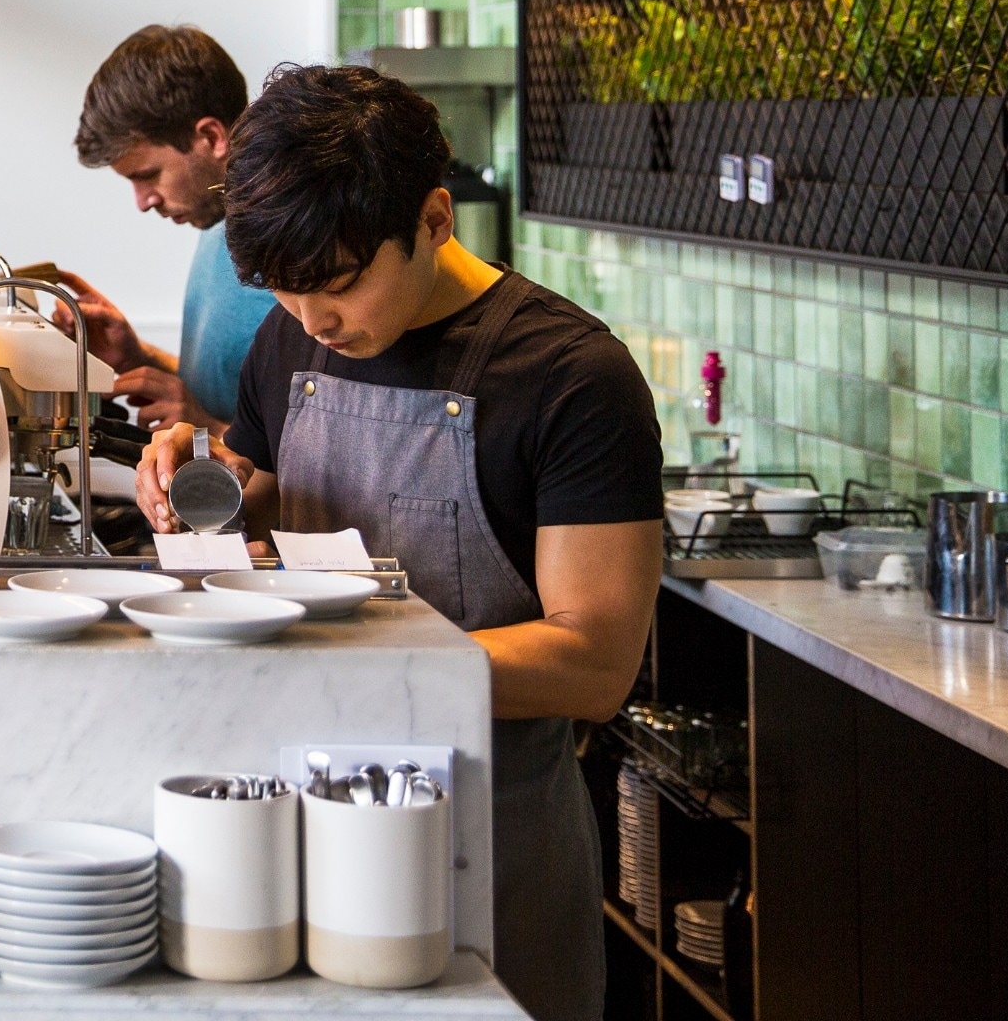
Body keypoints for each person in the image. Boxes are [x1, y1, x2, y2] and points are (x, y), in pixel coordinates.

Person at [133, 64, 664, 1021]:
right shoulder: (291, 340)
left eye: (339, 285)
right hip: (297, 822)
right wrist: (199, 480)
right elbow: (267, 495)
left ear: (434, 218)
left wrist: (355, 658)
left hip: (490, 841)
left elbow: (595, 662)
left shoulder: (572, 377)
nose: (314, 321)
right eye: (284, 292)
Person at [59, 26, 275, 435]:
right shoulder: (214, 217)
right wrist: (137, 358)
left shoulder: (296, 240)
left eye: (148, 175)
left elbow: (334, 447)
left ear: (211, 137)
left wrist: (206, 430)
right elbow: (230, 395)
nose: (143, 202)